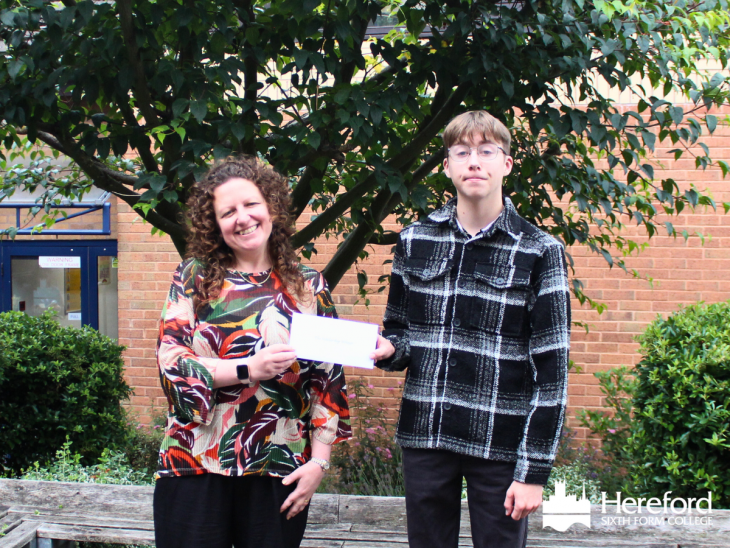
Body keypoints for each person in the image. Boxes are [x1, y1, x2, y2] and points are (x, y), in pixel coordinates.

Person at [371, 111, 571, 548]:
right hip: (427, 431)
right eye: (462, 152)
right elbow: (400, 332)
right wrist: (389, 349)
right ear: (447, 166)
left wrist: (534, 471)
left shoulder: (540, 251)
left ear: (507, 164)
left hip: (499, 441)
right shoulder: (415, 239)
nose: (474, 162)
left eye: (486, 151)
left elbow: (552, 375)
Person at [154, 156, 352, 548]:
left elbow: (327, 380)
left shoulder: (308, 286)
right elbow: (172, 365)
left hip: (278, 467)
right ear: (215, 224)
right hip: (194, 463)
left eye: (250, 205)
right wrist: (248, 368)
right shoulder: (193, 277)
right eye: (228, 212)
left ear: (271, 208)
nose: (242, 218)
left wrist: (319, 462)